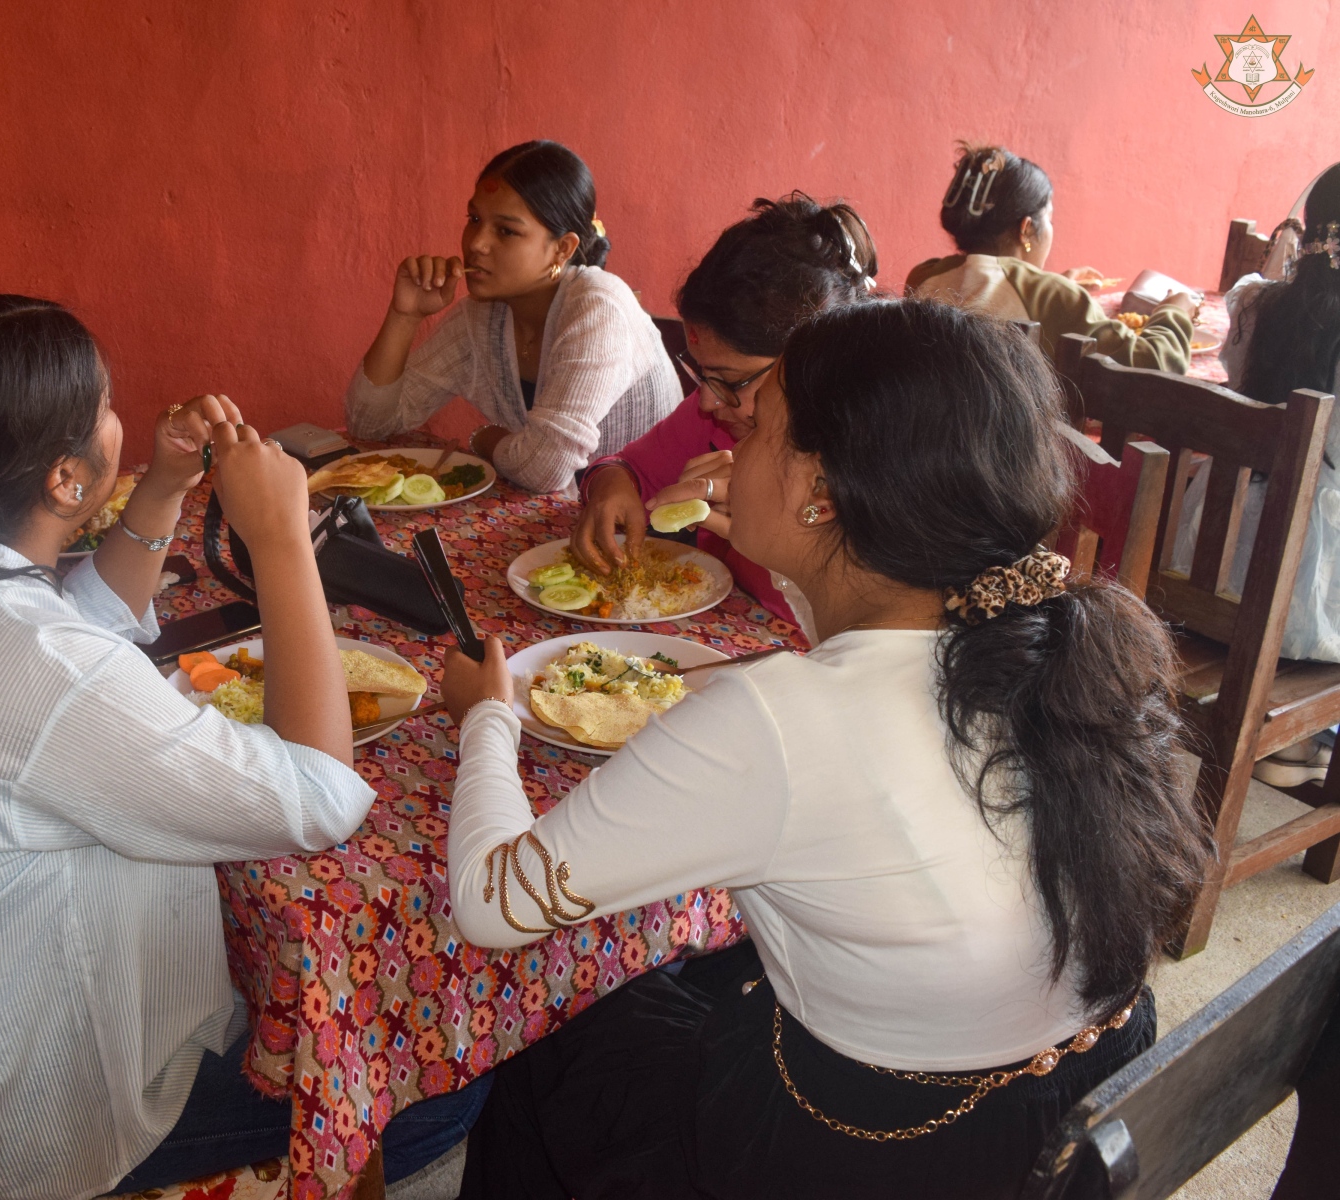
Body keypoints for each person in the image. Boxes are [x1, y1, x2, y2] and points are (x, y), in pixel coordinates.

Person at [436, 300, 1211, 1199]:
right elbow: (869, 689)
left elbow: (489, 903)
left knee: (550, 1040)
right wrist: (804, 560)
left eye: (755, 427)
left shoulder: (773, 719)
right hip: (1075, 1110)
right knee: (698, 975)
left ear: (824, 489)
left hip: (869, 1155)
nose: (729, 449)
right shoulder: (1042, 641)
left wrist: (488, 718)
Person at [0, 296, 482, 1199]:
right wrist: (280, 543)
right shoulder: (28, 662)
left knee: (277, 984)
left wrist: (162, 487)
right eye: (105, 407)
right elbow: (320, 797)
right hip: (13, 1122)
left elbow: (79, 630)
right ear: (66, 481)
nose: (121, 417)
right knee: (440, 1090)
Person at [570, 194, 877, 632]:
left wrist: (775, 521)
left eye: (732, 381)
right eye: (702, 374)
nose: (707, 402)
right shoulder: (716, 416)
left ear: (814, 368)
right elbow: (626, 466)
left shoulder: (882, 465)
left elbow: (873, 631)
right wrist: (609, 485)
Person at [344, 139, 679, 493]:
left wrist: (486, 438)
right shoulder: (483, 317)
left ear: (562, 249)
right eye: (474, 219)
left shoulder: (598, 307)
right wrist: (404, 316)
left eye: (506, 231)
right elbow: (369, 426)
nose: (476, 243)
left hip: (651, 518)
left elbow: (544, 469)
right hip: (561, 514)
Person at [1172, 163, 1340, 787]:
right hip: (1297, 610)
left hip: (1205, 573)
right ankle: (1298, 739)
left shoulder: (1257, 306)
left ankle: (1296, 742)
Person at [906, 144, 1195, 372]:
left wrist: (1051, 284)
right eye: (1049, 219)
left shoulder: (924, 277)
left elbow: (991, 291)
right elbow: (1155, 362)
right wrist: (1174, 312)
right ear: (1026, 228)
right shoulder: (1054, 296)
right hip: (1017, 431)